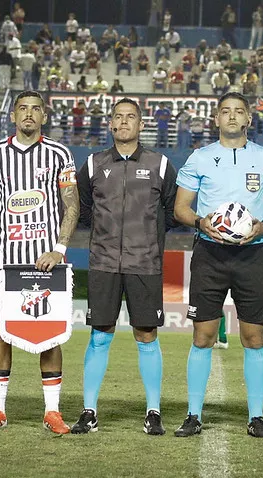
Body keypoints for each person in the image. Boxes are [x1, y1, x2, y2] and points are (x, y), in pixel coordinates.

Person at [172, 92, 263, 438]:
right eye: (225, 111)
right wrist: (200, 222)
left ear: (249, 119)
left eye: (239, 111)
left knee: (253, 337)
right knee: (203, 335)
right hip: (210, 253)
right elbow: (181, 208)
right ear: (216, 119)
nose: (232, 117)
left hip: (253, 254)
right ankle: (193, 415)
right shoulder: (200, 158)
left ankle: (256, 417)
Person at [69, 98, 179, 436]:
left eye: (131, 117)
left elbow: (172, 212)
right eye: (119, 117)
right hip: (103, 263)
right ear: (111, 124)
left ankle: (153, 411)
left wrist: (146, 238)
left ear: (140, 124)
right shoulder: (92, 164)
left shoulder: (161, 165)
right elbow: (84, 208)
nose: (124, 122)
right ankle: (89, 411)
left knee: (146, 334)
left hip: (144, 263)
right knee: (100, 335)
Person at [0, 91, 79, 435]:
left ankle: (52, 411)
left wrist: (59, 248)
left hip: (45, 261)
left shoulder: (59, 153)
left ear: (45, 116)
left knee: (49, 336)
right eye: (23, 108)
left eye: (36, 109)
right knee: (1, 333)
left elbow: (72, 205)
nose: (29, 114)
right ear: (13, 115)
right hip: (6, 262)